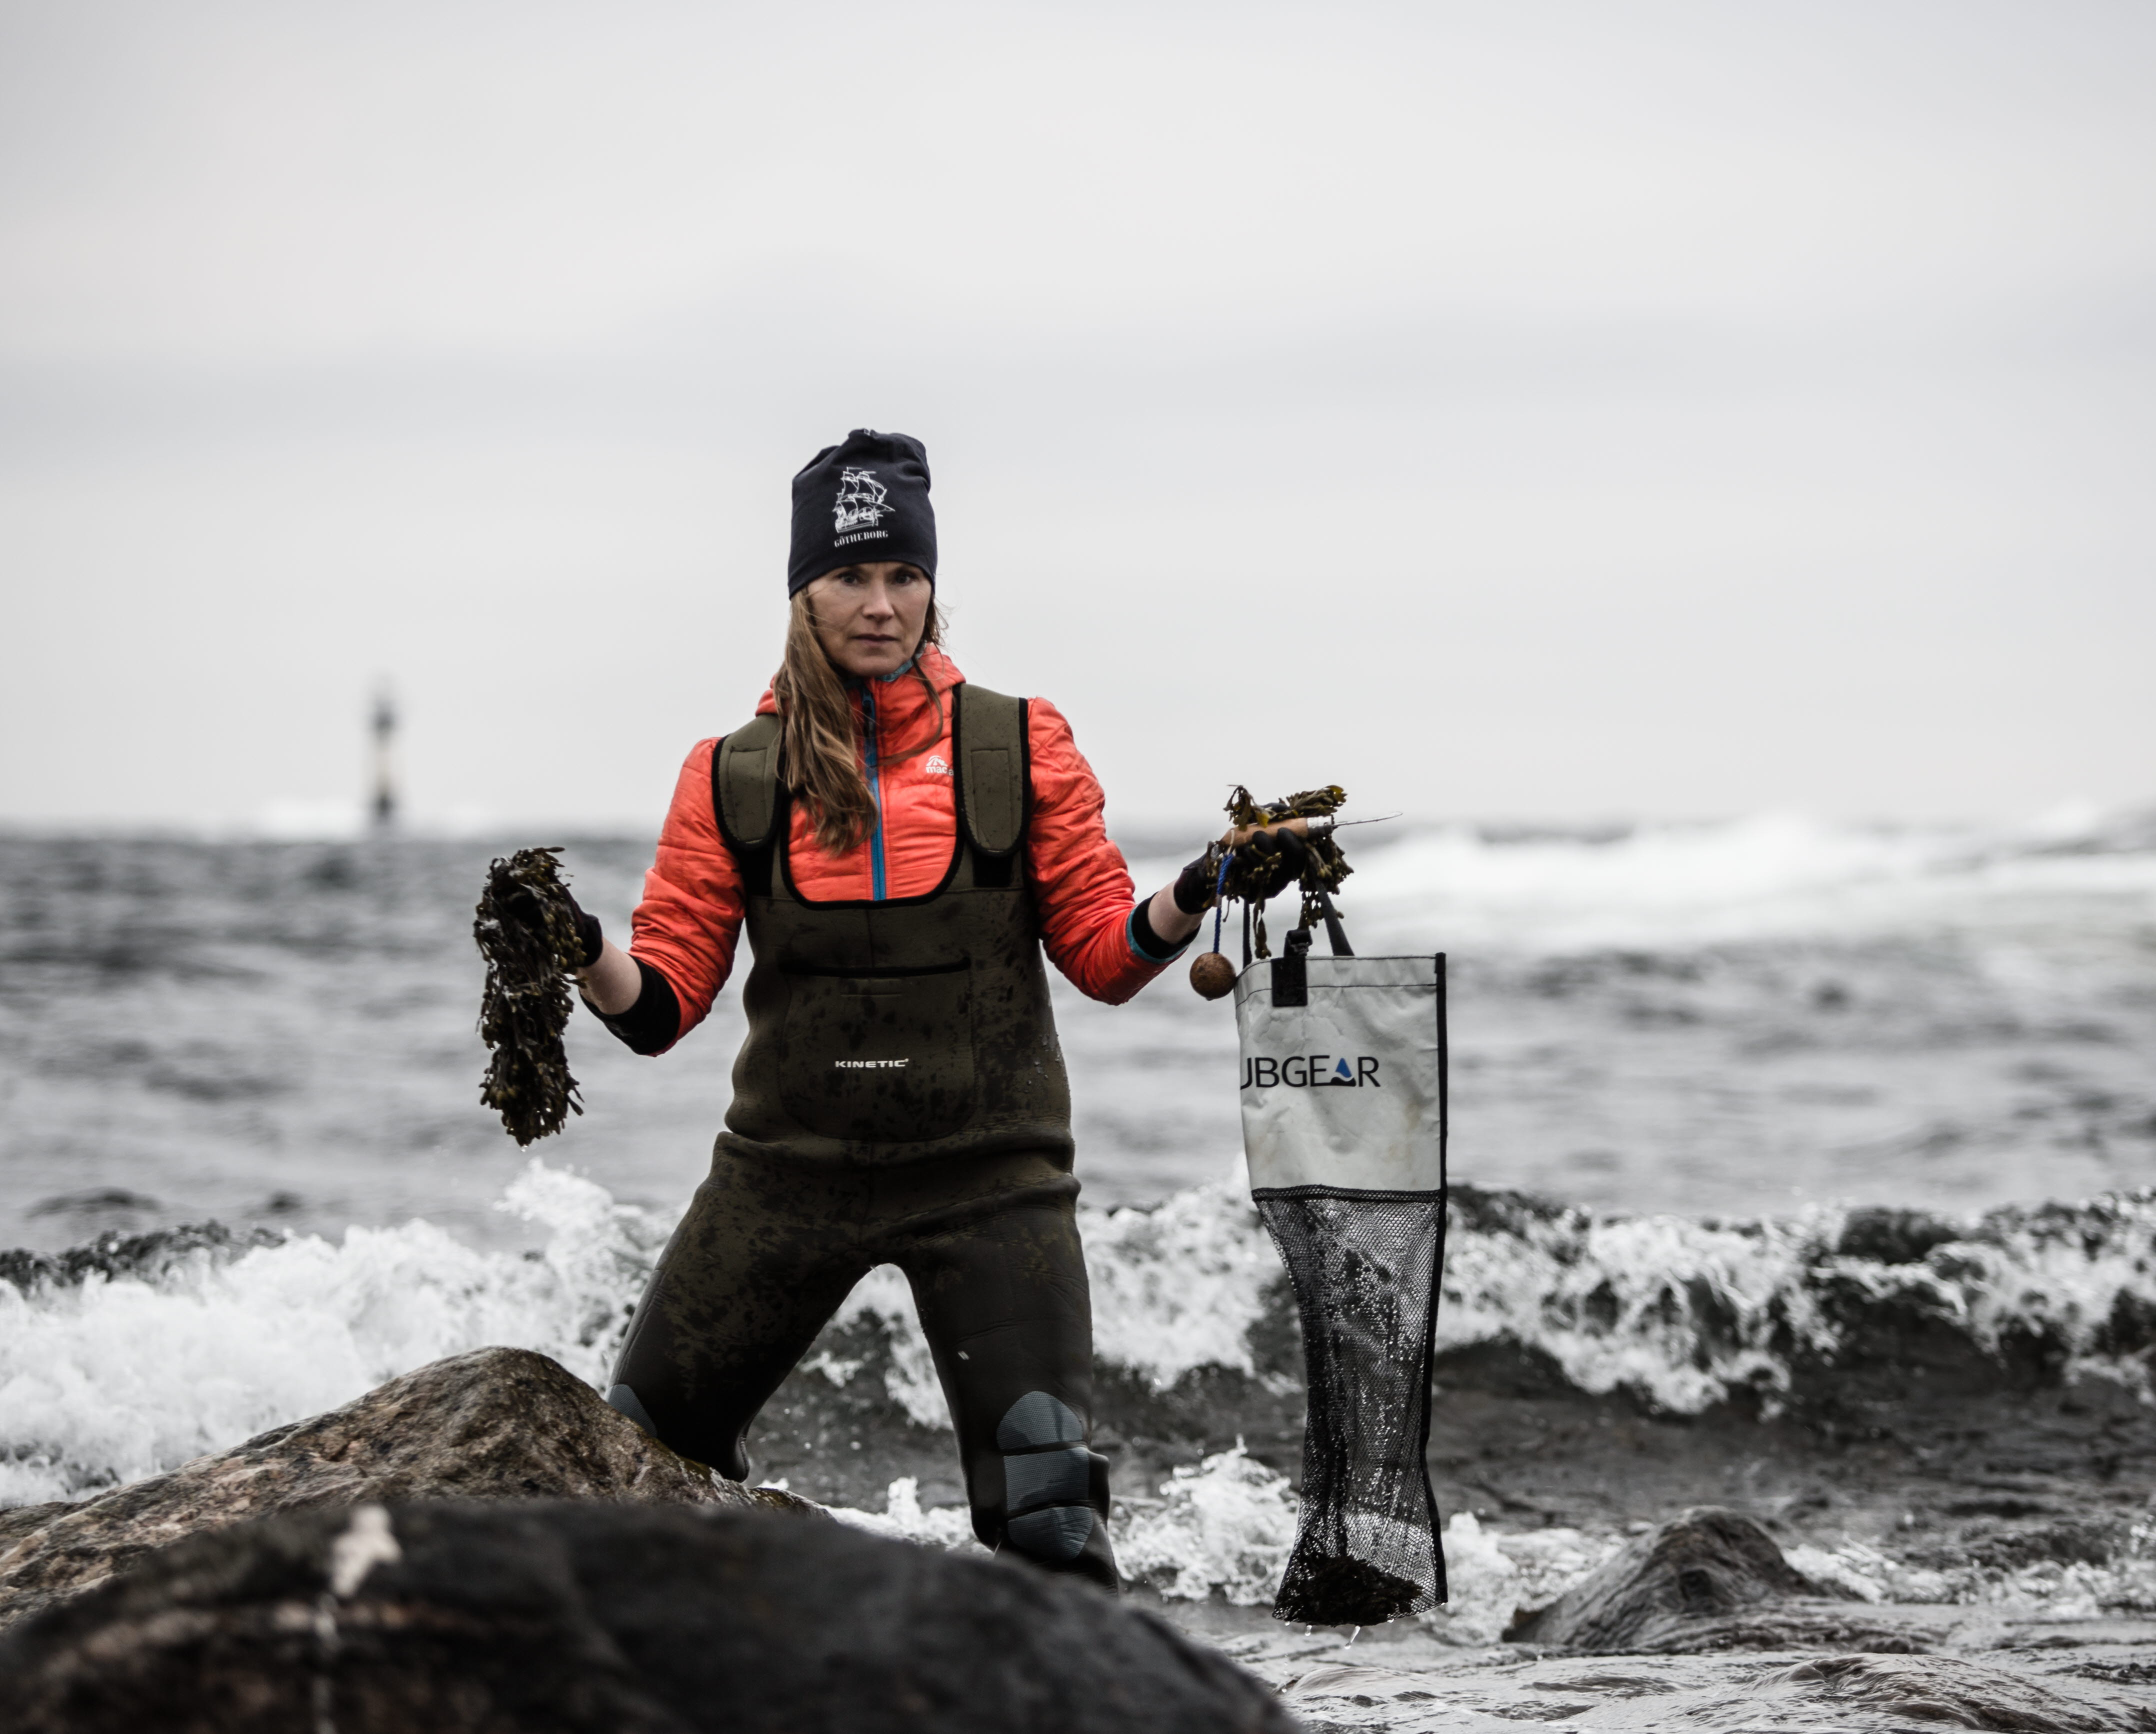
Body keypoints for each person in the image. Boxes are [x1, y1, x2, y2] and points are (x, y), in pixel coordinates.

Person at [567, 429, 1225, 1591]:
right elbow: (659, 1006)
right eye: (850, 577)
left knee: (1051, 1528)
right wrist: (577, 952)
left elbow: (1103, 955)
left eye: (902, 576)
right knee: (633, 1463)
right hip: (783, 1180)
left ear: (931, 587)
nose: (880, 605)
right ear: (801, 593)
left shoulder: (1021, 745)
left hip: (991, 1182)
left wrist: (1197, 888)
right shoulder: (731, 773)